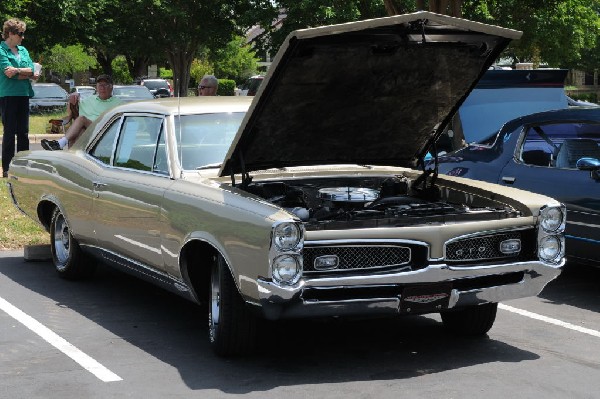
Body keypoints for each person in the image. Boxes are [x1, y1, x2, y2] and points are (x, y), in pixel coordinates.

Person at [41, 74, 122, 150]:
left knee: (81, 119)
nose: (102, 88)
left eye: (105, 85)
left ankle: (60, 143)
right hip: (89, 129)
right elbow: (71, 110)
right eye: (100, 85)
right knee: (78, 133)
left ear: (111, 87)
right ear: (96, 87)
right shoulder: (89, 100)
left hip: (105, 130)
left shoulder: (118, 103)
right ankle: (72, 158)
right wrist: (74, 96)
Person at [0, 18, 38, 178]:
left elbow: (33, 70)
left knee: (23, 132)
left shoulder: (23, 50)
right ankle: (7, 168)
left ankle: (22, 167)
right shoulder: (1, 49)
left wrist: (17, 70)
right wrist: (24, 73)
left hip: (23, 94)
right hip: (8, 95)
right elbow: (7, 73)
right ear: (10, 33)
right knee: (9, 132)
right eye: (20, 34)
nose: (22, 37)